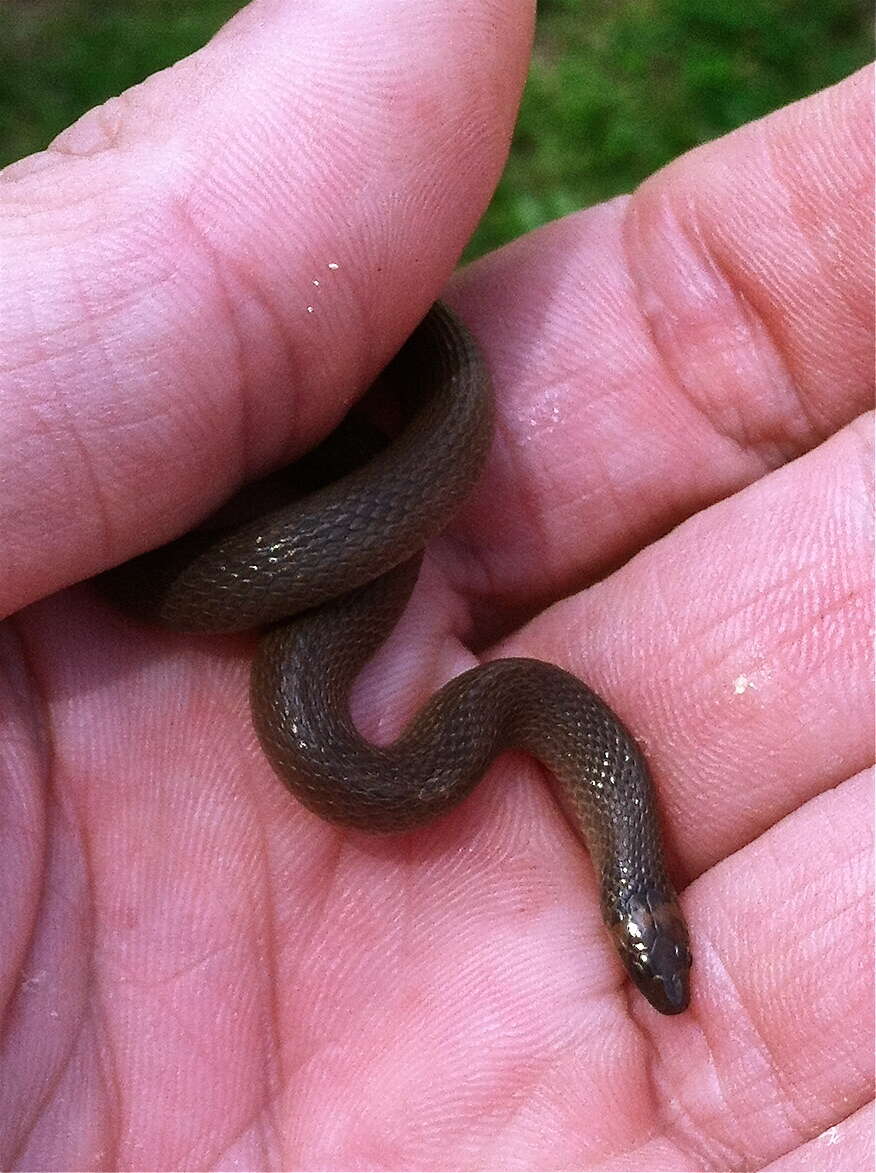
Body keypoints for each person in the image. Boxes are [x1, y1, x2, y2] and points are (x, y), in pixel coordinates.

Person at [0, 2, 872, 1168]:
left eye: (643, 945)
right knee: (357, 530)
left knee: (356, 547)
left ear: (631, 921)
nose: (651, 954)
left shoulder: (402, 732)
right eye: (656, 942)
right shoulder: (396, 691)